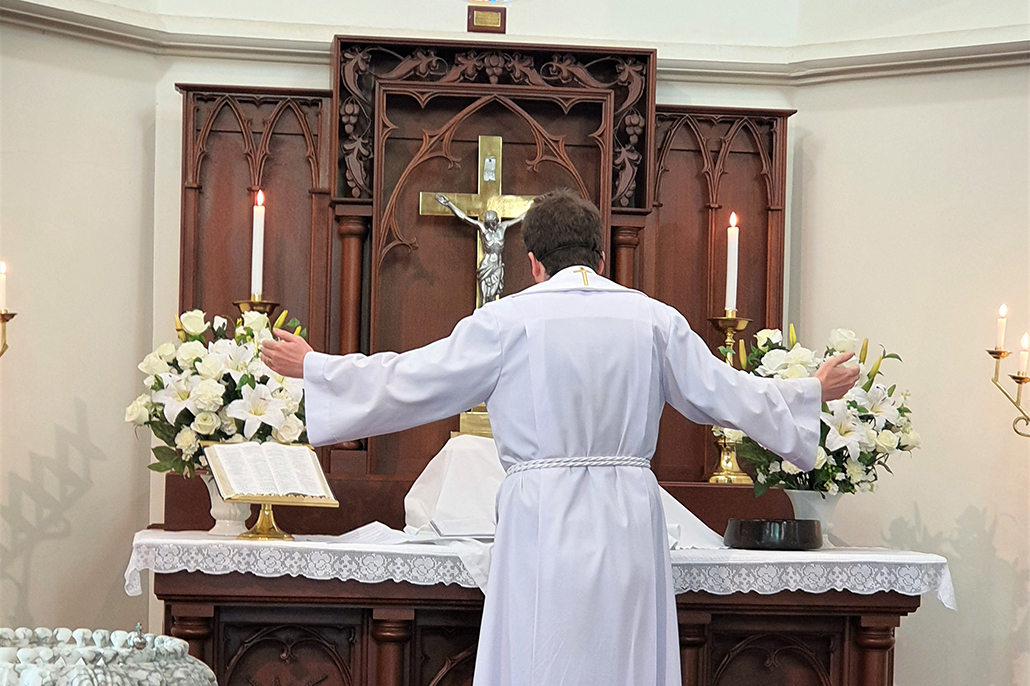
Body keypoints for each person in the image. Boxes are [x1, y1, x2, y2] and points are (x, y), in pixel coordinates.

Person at [261, 189, 859, 686]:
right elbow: (726, 393)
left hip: (541, 518)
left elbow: (413, 380)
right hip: (628, 518)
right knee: (623, 661)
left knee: (542, 656)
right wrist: (808, 391)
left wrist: (321, 367)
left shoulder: (507, 320)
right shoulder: (653, 318)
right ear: (602, 257)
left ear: (532, 262)